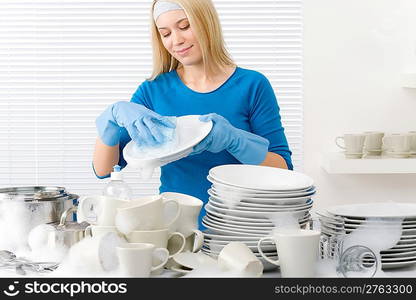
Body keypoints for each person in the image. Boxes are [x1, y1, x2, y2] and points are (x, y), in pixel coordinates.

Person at [93, 0, 293, 228]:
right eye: (165, 33)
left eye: (185, 26)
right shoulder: (152, 90)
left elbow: (283, 169)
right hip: (176, 229)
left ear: (206, 23)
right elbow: (104, 170)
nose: (176, 40)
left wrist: (235, 141)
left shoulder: (252, 85)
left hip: (245, 227)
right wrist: (111, 119)